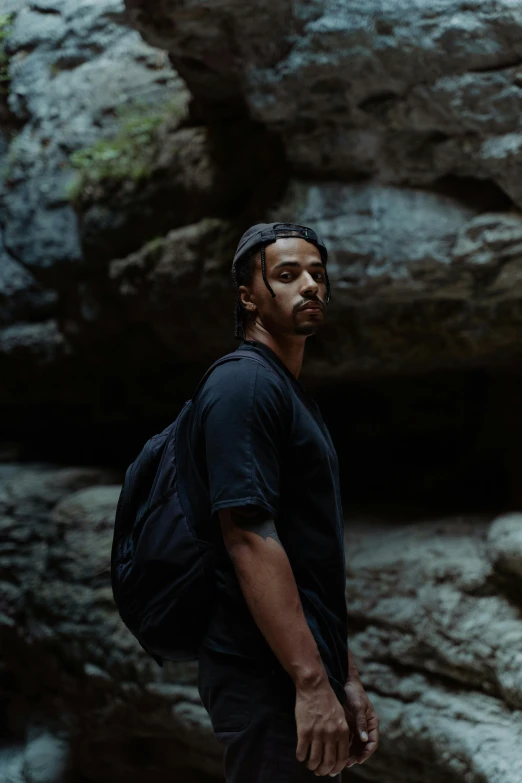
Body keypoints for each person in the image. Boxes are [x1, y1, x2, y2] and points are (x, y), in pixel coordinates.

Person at [183, 223, 379, 780]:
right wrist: (311, 685)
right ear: (249, 295)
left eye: (318, 274)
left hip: (298, 668)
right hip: (264, 672)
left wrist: (345, 675)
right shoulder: (243, 386)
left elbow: (307, 554)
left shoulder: (286, 392)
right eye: (288, 275)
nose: (310, 286)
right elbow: (247, 535)